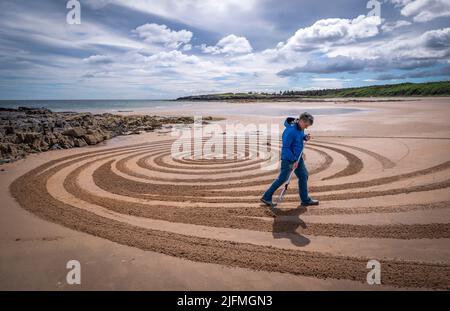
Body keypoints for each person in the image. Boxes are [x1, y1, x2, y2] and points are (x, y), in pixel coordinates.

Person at [261, 112, 319, 208]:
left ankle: (305, 200)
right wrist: (293, 160)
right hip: (289, 159)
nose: (306, 128)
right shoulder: (290, 131)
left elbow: (298, 138)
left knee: (303, 175)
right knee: (282, 179)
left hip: (297, 158)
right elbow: (286, 147)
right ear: (300, 121)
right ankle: (266, 197)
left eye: (307, 126)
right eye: (306, 125)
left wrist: (304, 137)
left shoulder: (300, 128)